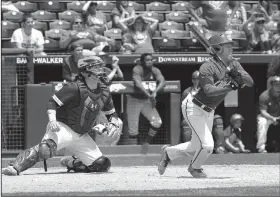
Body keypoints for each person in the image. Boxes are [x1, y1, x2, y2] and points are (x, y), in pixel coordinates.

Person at [2, 56, 123, 176]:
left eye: (99, 67)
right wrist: (52, 120)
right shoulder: (74, 87)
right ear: (86, 72)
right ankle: (14, 167)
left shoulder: (104, 90)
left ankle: (72, 163)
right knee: (45, 149)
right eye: (95, 67)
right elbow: (52, 102)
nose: (100, 70)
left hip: (81, 135)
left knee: (101, 164)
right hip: (63, 128)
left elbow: (111, 114)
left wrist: (113, 124)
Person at [157, 34, 254, 178]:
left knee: (196, 146)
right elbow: (209, 91)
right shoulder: (207, 67)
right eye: (227, 46)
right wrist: (231, 86)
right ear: (218, 48)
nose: (231, 48)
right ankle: (194, 168)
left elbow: (250, 82)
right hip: (194, 107)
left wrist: (237, 73)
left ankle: (168, 153)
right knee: (208, 146)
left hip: (209, 110)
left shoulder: (234, 64)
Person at [126, 53, 166, 154]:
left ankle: (146, 142)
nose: (149, 62)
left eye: (151, 60)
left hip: (146, 101)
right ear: (142, 61)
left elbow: (162, 81)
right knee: (133, 129)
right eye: (147, 60)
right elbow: (138, 84)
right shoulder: (137, 68)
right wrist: (150, 96)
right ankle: (133, 153)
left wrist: (155, 92)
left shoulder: (155, 70)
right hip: (134, 100)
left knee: (157, 122)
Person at [256, 76, 280, 153]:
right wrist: (272, 118)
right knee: (262, 122)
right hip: (266, 117)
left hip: (278, 117)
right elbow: (263, 112)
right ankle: (261, 147)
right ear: (272, 85)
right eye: (276, 84)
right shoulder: (264, 96)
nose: (278, 86)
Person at [181, 71, 200, 143]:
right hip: (191, 115)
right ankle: (187, 146)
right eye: (196, 79)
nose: (198, 81)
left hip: (203, 115)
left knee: (217, 119)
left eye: (200, 79)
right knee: (186, 122)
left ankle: (219, 147)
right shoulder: (187, 92)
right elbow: (183, 107)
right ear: (193, 80)